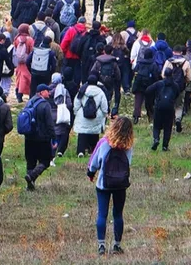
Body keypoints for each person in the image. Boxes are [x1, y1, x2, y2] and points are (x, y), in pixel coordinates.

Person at [86, 117, 133, 255]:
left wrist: (91, 173)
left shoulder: (104, 142)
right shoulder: (128, 145)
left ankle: (101, 245)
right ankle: (117, 245)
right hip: (121, 185)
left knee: (102, 214)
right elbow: (128, 163)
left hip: (103, 183)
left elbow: (94, 162)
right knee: (118, 214)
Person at [20, 84, 56, 190]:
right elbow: (50, 124)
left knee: (30, 161)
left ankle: (30, 186)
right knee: (45, 161)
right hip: (42, 138)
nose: (49, 92)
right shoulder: (45, 105)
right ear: (41, 92)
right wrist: (54, 138)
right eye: (47, 91)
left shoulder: (29, 102)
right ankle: (32, 176)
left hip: (29, 137)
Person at [73, 75, 110, 157]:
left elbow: (76, 103)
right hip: (96, 116)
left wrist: (77, 112)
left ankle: (81, 151)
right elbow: (104, 107)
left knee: (82, 133)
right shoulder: (100, 92)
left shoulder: (82, 90)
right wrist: (103, 115)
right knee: (94, 133)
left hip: (83, 116)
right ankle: (93, 150)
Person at [146, 70, 182, 151]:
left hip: (158, 107)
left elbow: (148, 90)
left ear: (164, 75)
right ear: (172, 75)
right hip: (169, 108)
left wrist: (153, 98)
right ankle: (165, 146)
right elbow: (177, 95)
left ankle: (156, 139)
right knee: (168, 127)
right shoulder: (175, 85)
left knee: (156, 125)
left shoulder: (158, 84)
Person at [162, 47, 191, 132]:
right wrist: (184, 82)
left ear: (173, 52)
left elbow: (163, 75)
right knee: (179, 105)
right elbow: (189, 78)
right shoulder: (186, 62)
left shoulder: (168, 61)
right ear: (181, 52)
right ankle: (178, 119)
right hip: (180, 88)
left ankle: (170, 122)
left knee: (170, 104)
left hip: (169, 88)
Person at [91, 43, 122, 118]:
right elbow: (118, 74)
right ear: (112, 52)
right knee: (109, 95)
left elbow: (93, 71)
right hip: (110, 81)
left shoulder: (98, 60)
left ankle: (102, 108)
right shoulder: (113, 62)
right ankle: (108, 109)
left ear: (104, 51)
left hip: (100, 81)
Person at [131, 47, 161, 124]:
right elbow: (156, 76)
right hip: (150, 85)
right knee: (149, 102)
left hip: (139, 84)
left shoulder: (139, 63)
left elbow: (134, 71)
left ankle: (136, 117)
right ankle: (151, 116)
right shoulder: (153, 64)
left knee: (138, 101)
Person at [11, 24, 35, 103]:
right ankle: (29, 95)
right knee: (28, 79)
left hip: (19, 63)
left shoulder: (17, 39)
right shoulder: (30, 39)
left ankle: (18, 94)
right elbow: (32, 51)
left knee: (19, 78)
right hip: (27, 63)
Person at [51, 72, 73, 157]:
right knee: (60, 132)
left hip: (49, 114)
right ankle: (58, 149)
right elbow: (69, 104)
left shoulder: (47, 90)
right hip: (60, 114)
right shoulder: (64, 90)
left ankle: (51, 148)